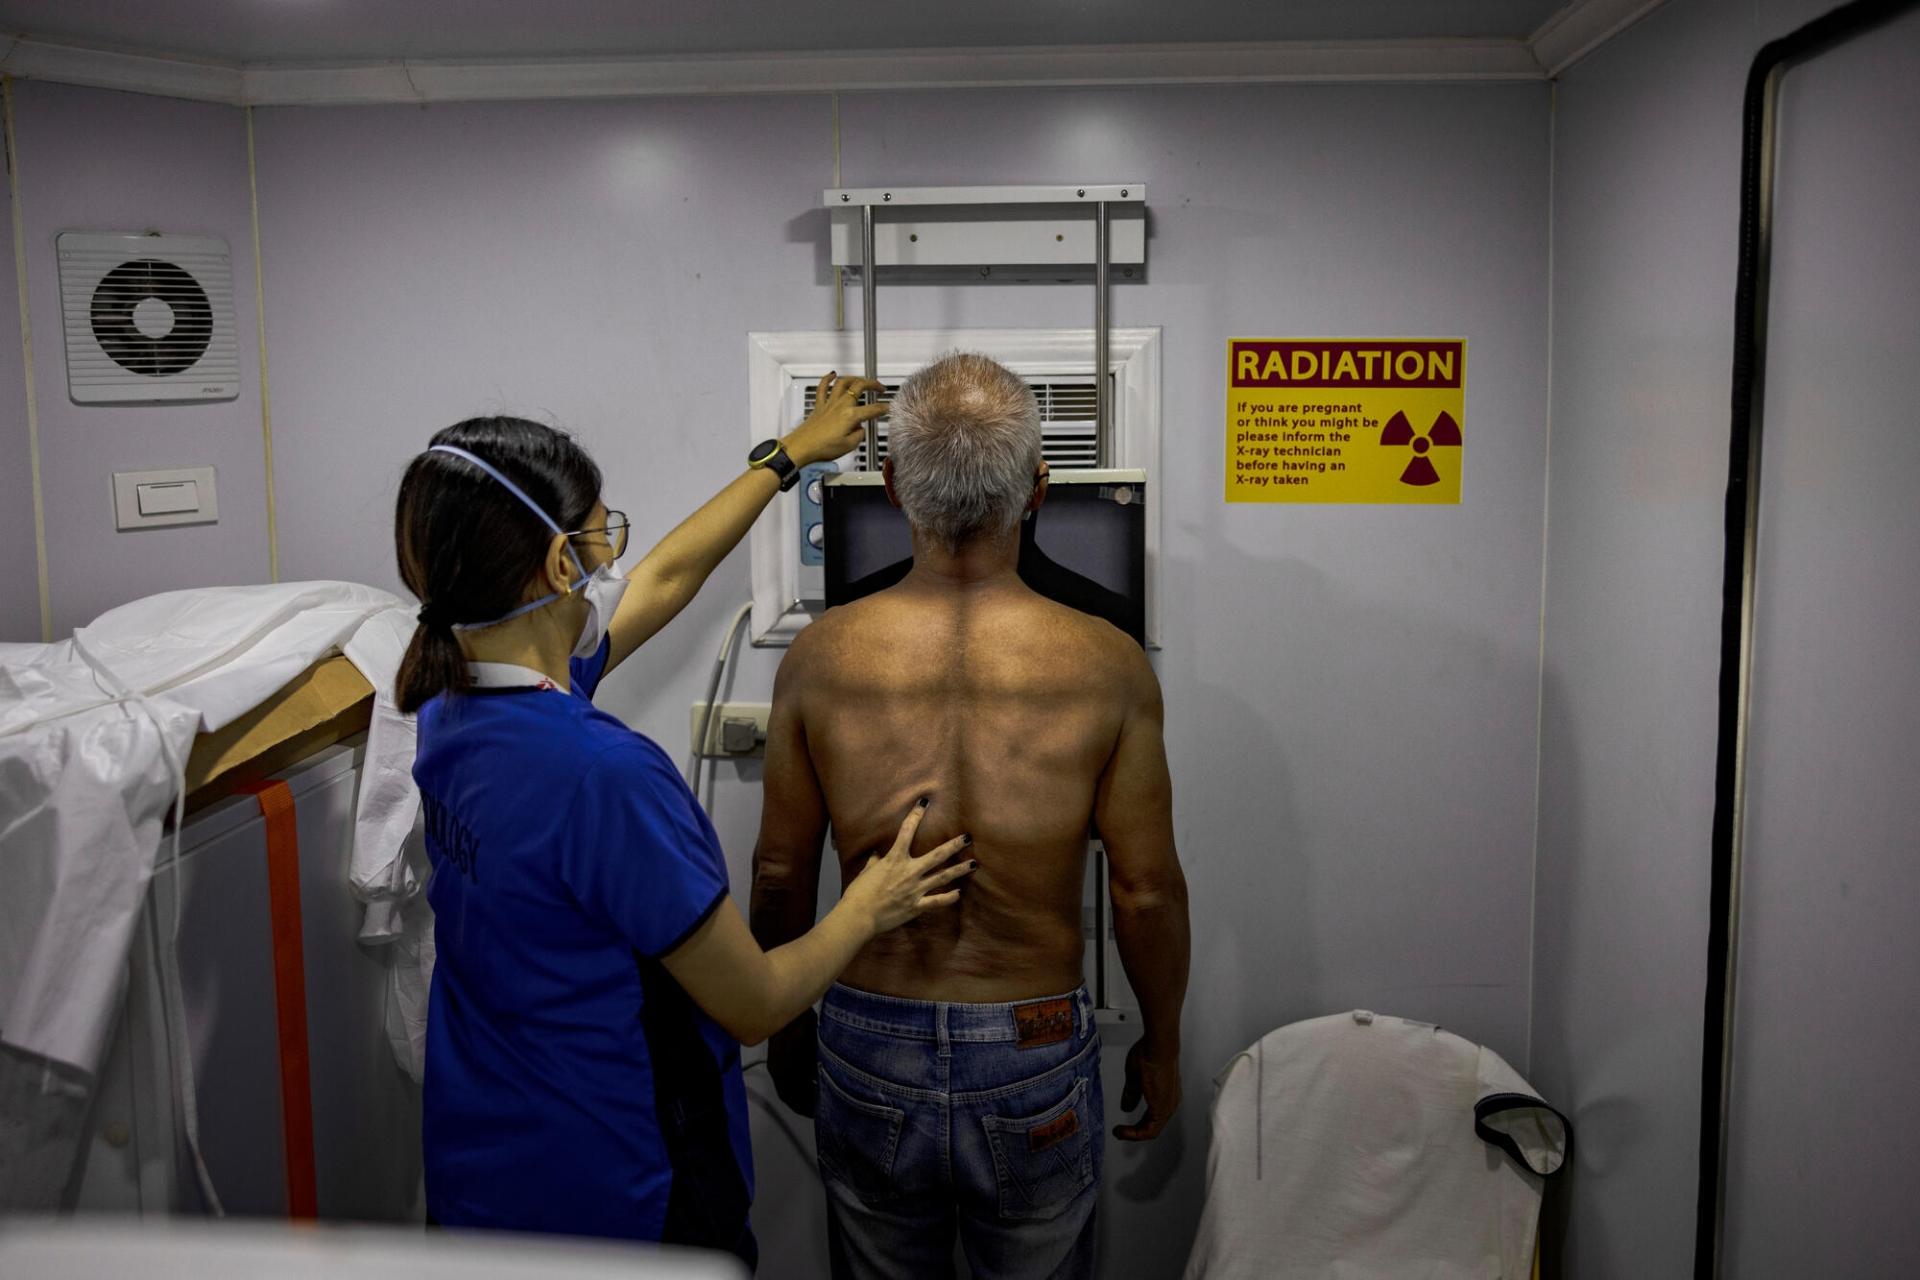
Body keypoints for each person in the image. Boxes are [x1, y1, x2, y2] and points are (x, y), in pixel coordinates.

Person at [392, 375, 977, 1270]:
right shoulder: (603, 776)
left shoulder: (449, 697)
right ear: (559, 567)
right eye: (599, 532)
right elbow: (753, 1004)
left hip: (484, 1170)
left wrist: (788, 458)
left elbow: (663, 576)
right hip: (618, 1192)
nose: (613, 555)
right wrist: (872, 902)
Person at [749, 353, 1192, 1280]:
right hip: (1027, 1038)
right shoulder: (1107, 664)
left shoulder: (820, 659)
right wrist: (1163, 1038)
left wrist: (786, 1025)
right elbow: (1145, 891)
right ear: (1037, 489)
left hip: (870, 1029)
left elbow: (782, 874)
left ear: (892, 483)